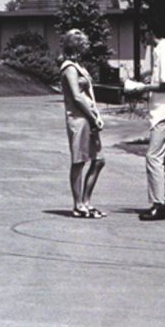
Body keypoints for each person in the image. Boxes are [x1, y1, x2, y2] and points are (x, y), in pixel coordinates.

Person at [128, 21, 165, 221]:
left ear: (151, 32)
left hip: (163, 112)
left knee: (153, 157)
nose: (143, 36)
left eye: (144, 32)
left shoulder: (163, 51)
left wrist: (141, 88)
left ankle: (157, 204)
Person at [58, 29, 105, 219]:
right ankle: (78, 204)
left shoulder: (79, 66)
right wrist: (93, 118)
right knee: (79, 161)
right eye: (84, 44)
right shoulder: (68, 67)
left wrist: (95, 115)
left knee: (99, 160)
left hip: (89, 117)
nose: (87, 47)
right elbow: (77, 97)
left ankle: (86, 201)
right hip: (79, 119)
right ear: (75, 46)